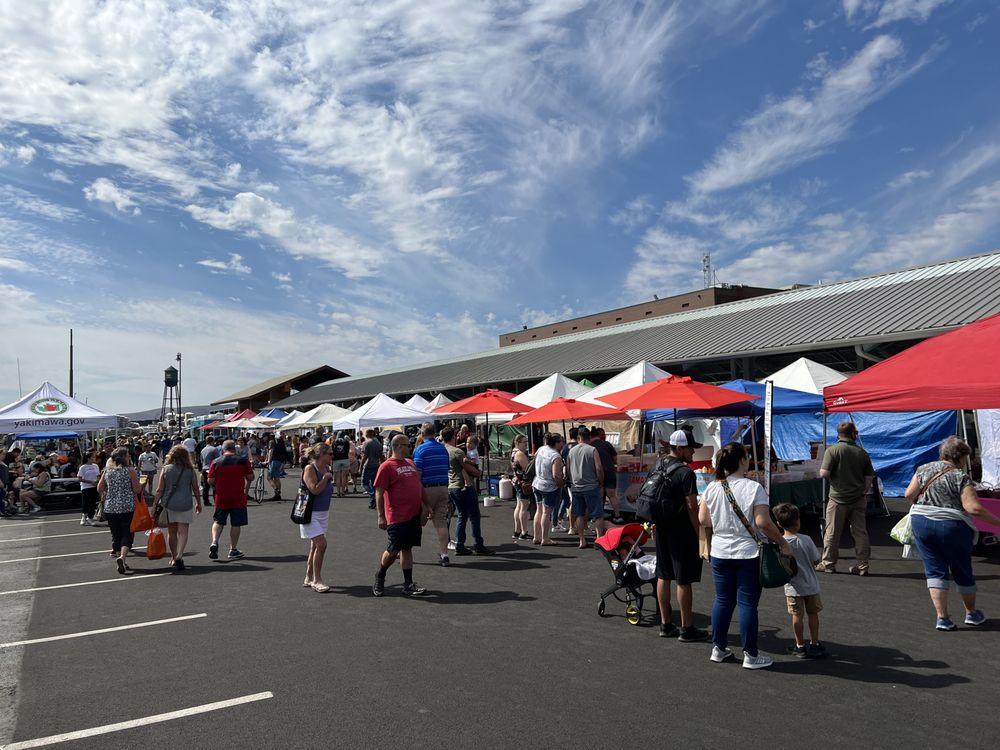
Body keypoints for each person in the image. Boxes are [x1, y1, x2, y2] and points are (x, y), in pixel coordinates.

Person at [699, 442, 792, 669]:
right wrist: (782, 542)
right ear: (742, 460)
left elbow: (704, 521)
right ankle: (750, 654)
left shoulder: (712, 487)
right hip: (748, 552)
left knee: (722, 600)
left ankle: (718, 648)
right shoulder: (753, 488)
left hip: (720, 550)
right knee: (748, 604)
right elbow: (762, 522)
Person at [904, 437, 1000, 630]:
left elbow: (909, 495)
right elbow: (973, 508)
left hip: (921, 523)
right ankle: (971, 613)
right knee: (962, 570)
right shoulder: (960, 477)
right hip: (951, 526)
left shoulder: (923, 469)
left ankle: (943, 618)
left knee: (934, 570)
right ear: (961, 457)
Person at [648, 428, 708, 642]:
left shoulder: (659, 464)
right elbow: (692, 506)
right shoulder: (686, 473)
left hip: (662, 527)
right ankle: (687, 627)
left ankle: (665, 624)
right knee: (683, 579)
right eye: (691, 449)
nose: (693, 453)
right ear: (680, 448)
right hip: (681, 531)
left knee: (663, 575)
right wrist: (699, 532)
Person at [373, 434, 431, 596]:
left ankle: (408, 583)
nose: (410, 447)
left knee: (407, 548)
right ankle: (381, 575)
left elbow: (418, 485)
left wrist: (427, 505)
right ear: (398, 446)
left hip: (413, 514)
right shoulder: (386, 467)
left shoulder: (410, 463)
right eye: (407, 445)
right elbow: (379, 492)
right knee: (393, 551)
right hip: (396, 516)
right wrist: (381, 516)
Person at [817, 421, 876, 575]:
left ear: (838, 434)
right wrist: (863, 490)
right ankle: (863, 565)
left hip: (837, 498)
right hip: (857, 498)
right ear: (853, 434)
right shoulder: (861, 452)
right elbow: (869, 476)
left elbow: (823, 473)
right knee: (860, 532)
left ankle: (828, 563)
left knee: (832, 532)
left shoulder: (833, 450)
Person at [773, 503, 825, 658]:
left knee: (797, 616)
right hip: (811, 585)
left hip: (793, 587)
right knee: (813, 614)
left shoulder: (780, 543)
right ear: (798, 522)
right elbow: (817, 561)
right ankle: (814, 644)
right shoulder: (807, 539)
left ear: (778, 524)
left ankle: (799, 645)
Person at [444, 427, 494, 556]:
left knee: (462, 515)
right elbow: (470, 469)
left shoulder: (443, 450)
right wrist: (478, 472)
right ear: (453, 437)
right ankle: (478, 544)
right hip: (463, 485)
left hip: (451, 485)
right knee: (474, 516)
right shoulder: (457, 451)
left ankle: (460, 545)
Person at [153, 445, 202, 572]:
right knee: (183, 531)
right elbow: (195, 488)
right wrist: (199, 502)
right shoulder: (190, 470)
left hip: (169, 503)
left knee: (172, 532)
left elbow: (159, 490)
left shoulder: (166, 469)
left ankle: (174, 556)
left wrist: (155, 504)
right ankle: (180, 555)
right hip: (185, 503)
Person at [97, 447, 144, 575]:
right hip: (127, 506)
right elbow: (137, 489)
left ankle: (120, 557)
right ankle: (122, 557)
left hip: (111, 507)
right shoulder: (130, 471)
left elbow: (99, 488)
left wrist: (109, 491)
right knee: (127, 533)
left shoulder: (107, 471)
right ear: (125, 457)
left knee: (116, 534)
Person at [412, 424, 453, 566]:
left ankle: (404, 551)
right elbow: (447, 468)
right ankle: (445, 554)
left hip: (427, 489)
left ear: (422, 434)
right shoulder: (443, 448)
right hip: (443, 487)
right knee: (441, 522)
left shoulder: (420, 449)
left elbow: (417, 474)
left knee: (416, 522)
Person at [207, 439, 254, 561]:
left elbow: (210, 481)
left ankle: (214, 541)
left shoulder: (216, 462)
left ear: (223, 449)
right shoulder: (243, 461)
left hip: (221, 496)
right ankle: (233, 549)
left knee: (218, 521)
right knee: (236, 523)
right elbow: (250, 477)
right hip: (238, 496)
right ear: (235, 449)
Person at [301, 443, 336, 592]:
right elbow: (314, 490)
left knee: (315, 546)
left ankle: (308, 577)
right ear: (321, 454)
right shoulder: (310, 469)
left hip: (323, 513)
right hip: (309, 513)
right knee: (322, 545)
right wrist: (326, 478)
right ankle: (317, 580)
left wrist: (327, 476)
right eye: (330, 454)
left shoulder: (326, 468)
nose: (332, 456)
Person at [566, 426, 605, 548]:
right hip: (591, 486)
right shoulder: (592, 450)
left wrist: (570, 480)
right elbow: (599, 468)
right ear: (589, 438)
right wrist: (601, 481)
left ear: (578, 438)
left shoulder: (571, 451)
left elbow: (567, 469)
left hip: (576, 486)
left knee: (579, 514)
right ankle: (599, 540)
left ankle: (582, 539)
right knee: (597, 514)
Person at [531, 432, 564, 545]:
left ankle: (536, 536)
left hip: (537, 482)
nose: (562, 443)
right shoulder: (556, 456)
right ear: (557, 443)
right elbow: (556, 475)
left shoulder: (541, 449)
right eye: (561, 441)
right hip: (548, 486)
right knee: (546, 513)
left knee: (539, 510)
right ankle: (545, 538)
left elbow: (535, 460)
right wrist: (561, 483)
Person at [591, 427, 622, 523]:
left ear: (591, 436)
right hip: (610, 472)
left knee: (599, 496)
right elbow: (616, 459)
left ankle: (598, 516)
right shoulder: (607, 444)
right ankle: (617, 516)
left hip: (596, 474)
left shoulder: (590, 446)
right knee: (612, 495)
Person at [510, 434, 532, 541]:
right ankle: (523, 532)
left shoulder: (513, 452)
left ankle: (517, 530)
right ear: (517, 442)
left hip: (516, 481)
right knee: (523, 507)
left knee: (519, 506)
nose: (526, 444)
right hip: (522, 482)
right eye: (524, 442)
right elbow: (527, 469)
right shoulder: (520, 454)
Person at [361, 429, 383, 510]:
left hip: (368, 465)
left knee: (365, 483)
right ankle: (374, 502)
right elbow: (381, 456)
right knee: (374, 484)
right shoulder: (378, 443)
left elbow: (364, 456)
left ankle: (373, 496)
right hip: (376, 465)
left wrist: (361, 466)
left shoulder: (367, 443)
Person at [77, 451, 101, 525]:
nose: (94, 458)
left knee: (92, 503)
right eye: (93, 457)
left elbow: (98, 475)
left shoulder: (95, 466)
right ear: (88, 458)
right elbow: (79, 478)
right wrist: (90, 481)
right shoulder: (83, 467)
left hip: (94, 487)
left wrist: (97, 481)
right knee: (86, 502)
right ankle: (84, 516)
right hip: (86, 487)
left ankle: (90, 518)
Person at [266, 435, 288, 502]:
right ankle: (277, 495)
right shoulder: (279, 442)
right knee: (276, 477)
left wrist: (268, 461)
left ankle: (277, 490)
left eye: (264, 437)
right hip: (279, 461)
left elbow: (270, 451)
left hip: (274, 461)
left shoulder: (271, 442)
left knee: (269, 477)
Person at [200, 437, 221, 506]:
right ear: (212, 441)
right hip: (212, 468)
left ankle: (206, 501)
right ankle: (216, 500)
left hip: (204, 468)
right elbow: (218, 460)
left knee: (206, 486)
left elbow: (201, 460)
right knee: (215, 486)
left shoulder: (203, 450)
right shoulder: (214, 449)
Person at [330, 432, 351, 497]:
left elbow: (332, 451)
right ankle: (343, 491)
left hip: (336, 460)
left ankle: (338, 492)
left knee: (338, 477)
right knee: (344, 476)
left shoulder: (334, 442)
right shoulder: (346, 442)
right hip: (345, 459)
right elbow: (347, 451)